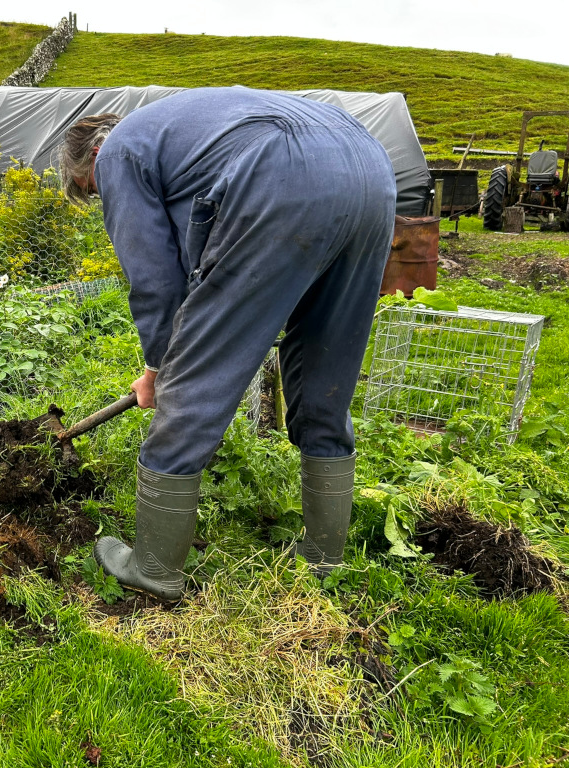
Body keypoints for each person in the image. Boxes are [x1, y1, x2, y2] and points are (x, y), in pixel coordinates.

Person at [59, 87, 397, 600]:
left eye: (92, 188)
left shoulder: (121, 152)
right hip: (370, 169)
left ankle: (154, 569)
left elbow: (155, 279)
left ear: (93, 159)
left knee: (191, 382)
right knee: (327, 371)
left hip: (282, 175)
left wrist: (160, 368)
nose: (101, 193)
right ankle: (326, 558)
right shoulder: (182, 130)